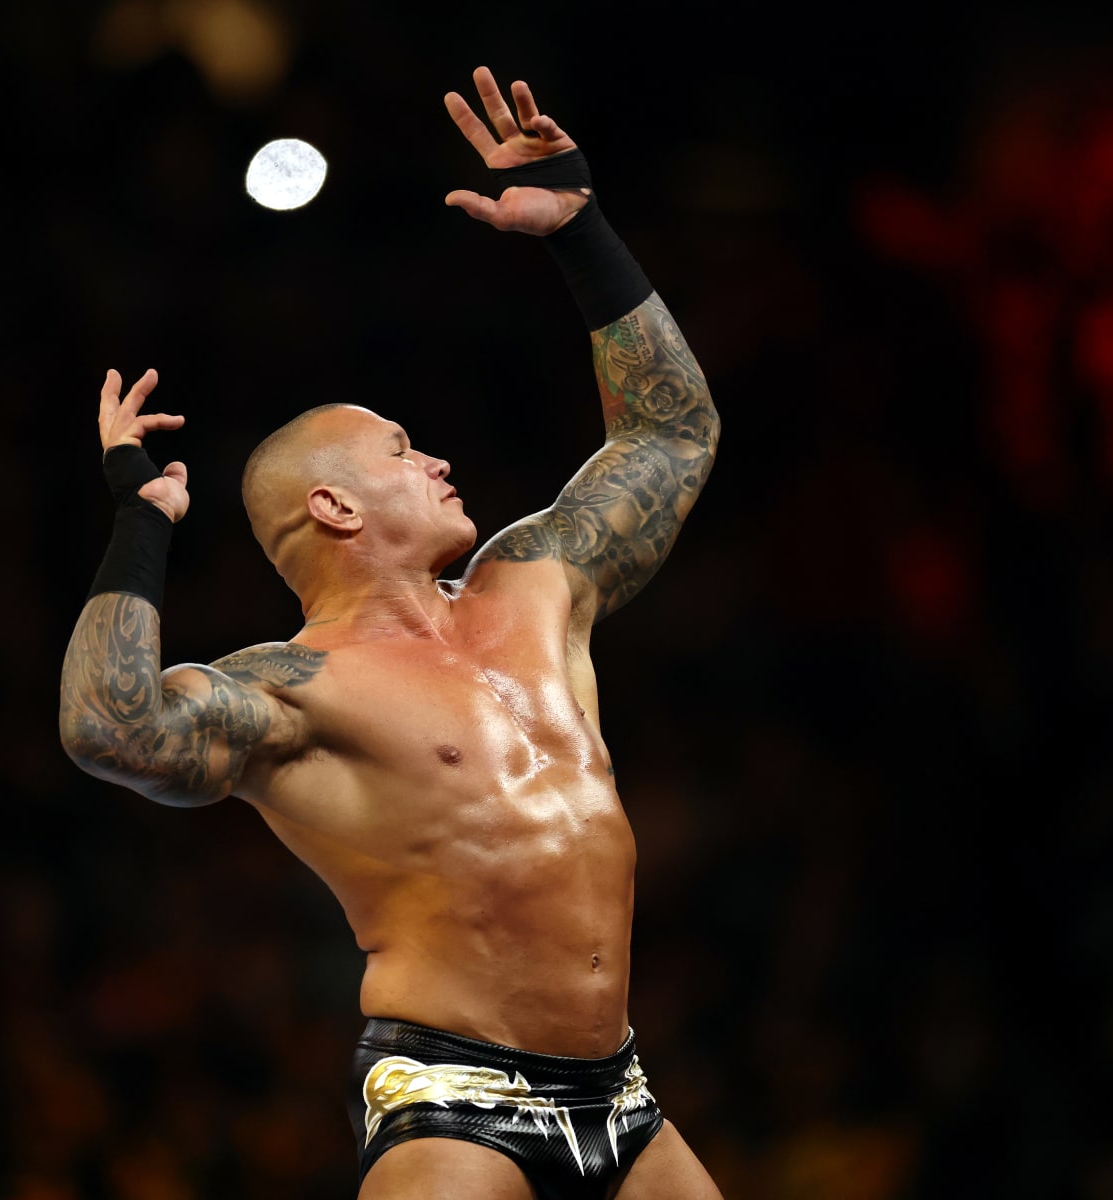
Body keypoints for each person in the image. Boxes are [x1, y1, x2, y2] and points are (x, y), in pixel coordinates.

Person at [59, 65, 723, 1199]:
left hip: (622, 1092)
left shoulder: (531, 583)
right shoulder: (300, 691)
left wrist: (583, 232)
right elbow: (108, 726)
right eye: (403, 449)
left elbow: (674, 437)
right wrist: (140, 524)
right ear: (335, 507)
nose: (437, 460)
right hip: (457, 1104)